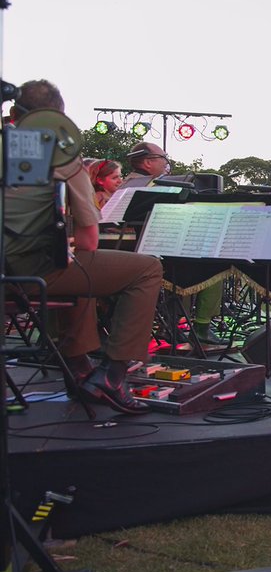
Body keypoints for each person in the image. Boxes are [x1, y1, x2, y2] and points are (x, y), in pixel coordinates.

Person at [5, 79, 163, 414]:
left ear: (14, 112)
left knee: (77, 267)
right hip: (31, 274)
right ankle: (114, 375)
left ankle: (79, 371)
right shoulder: (60, 157)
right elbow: (89, 241)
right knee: (146, 268)